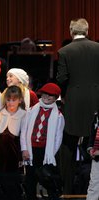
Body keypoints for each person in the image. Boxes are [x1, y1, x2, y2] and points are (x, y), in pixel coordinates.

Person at [56, 18, 99, 194]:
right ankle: (92, 187)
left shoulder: (64, 51)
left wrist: (66, 96)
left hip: (73, 103)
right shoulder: (98, 48)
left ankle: (67, 189)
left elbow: (61, 79)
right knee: (94, 142)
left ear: (71, 31)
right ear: (87, 31)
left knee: (69, 144)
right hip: (96, 101)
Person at [21, 83, 64, 200]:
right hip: (31, 150)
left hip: (45, 151)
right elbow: (24, 132)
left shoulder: (59, 116)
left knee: (47, 177)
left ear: (56, 98)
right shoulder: (31, 111)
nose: (47, 97)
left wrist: (50, 154)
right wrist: (24, 148)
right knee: (30, 178)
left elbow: (58, 138)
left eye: (51, 95)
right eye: (45, 94)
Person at [0, 85, 26, 173]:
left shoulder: (24, 115)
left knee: (13, 178)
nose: (10, 103)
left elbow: (24, 139)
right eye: (8, 100)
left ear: (20, 100)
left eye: (13, 100)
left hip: (15, 154)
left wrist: (21, 158)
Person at [86, 109, 99, 200]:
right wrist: (91, 148)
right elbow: (92, 133)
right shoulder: (97, 115)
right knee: (93, 185)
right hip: (96, 158)